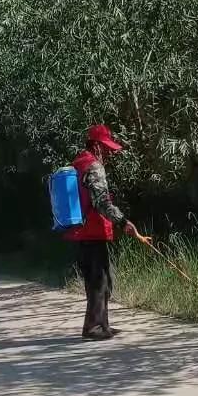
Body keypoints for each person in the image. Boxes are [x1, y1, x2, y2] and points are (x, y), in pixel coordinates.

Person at [64, 124, 141, 340]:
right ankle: (94, 328)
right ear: (96, 145)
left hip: (82, 231)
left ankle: (101, 325)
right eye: (106, 147)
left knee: (100, 280)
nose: (108, 152)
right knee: (99, 280)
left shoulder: (78, 163)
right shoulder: (94, 166)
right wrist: (123, 221)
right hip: (92, 231)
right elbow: (101, 202)